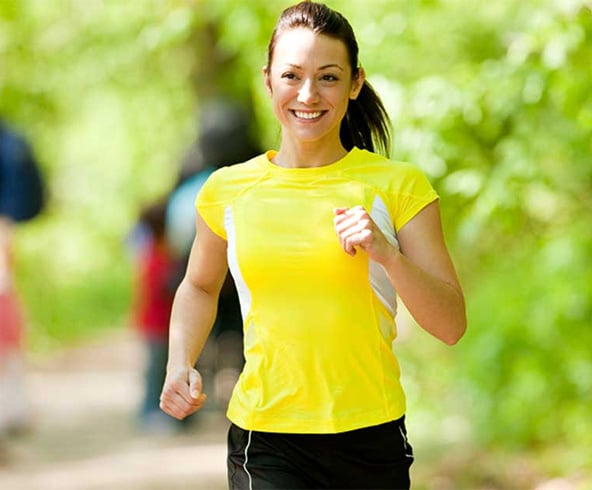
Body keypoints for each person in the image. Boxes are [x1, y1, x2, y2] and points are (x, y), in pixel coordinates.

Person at [160, 2, 467, 489]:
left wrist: (388, 253)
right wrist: (180, 361)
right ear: (268, 81)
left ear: (355, 82)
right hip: (267, 436)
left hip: (371, 435)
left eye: (328, 77)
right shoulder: (227, 189)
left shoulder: (398, 186)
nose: (308, 94)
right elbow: (198, 286)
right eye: (291, 76)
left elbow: (450, 324)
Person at [129, 199, 180, 433]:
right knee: (156, 369)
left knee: (158, 367)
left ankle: (158, 413)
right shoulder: (157, 257)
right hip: (158, 324)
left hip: (162, 324)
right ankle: (150, 412)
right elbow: (159, 289)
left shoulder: (156, 253)